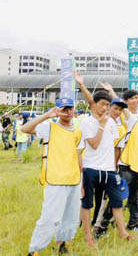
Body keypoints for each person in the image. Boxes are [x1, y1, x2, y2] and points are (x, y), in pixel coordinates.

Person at [22, 99, 83, 255]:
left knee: (71, 217)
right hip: (56, 179)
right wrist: (47, 115)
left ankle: (62, 244)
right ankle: (34, 249)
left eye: (70, 109)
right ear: (58, 110)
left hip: (74, 178)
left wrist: (81, 180)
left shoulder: (77, 131)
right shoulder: (50, 127)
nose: (68, 112)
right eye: (64, 109)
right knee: (50, 217)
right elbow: (25, 129)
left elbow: (78, 155)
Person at [78, 90, 134, 247]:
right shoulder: (87, 122)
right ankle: (88, 235)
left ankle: (123, 232)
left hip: (109, 169)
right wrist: (101, 126)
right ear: (94, 104)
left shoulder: (111, 122)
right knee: (87, 203)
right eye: (102, 104)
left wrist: (114, 165)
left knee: (116, 201)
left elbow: (113, 145)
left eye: (107, 105)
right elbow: (94, 144)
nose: (105, 108)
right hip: (91, 168)